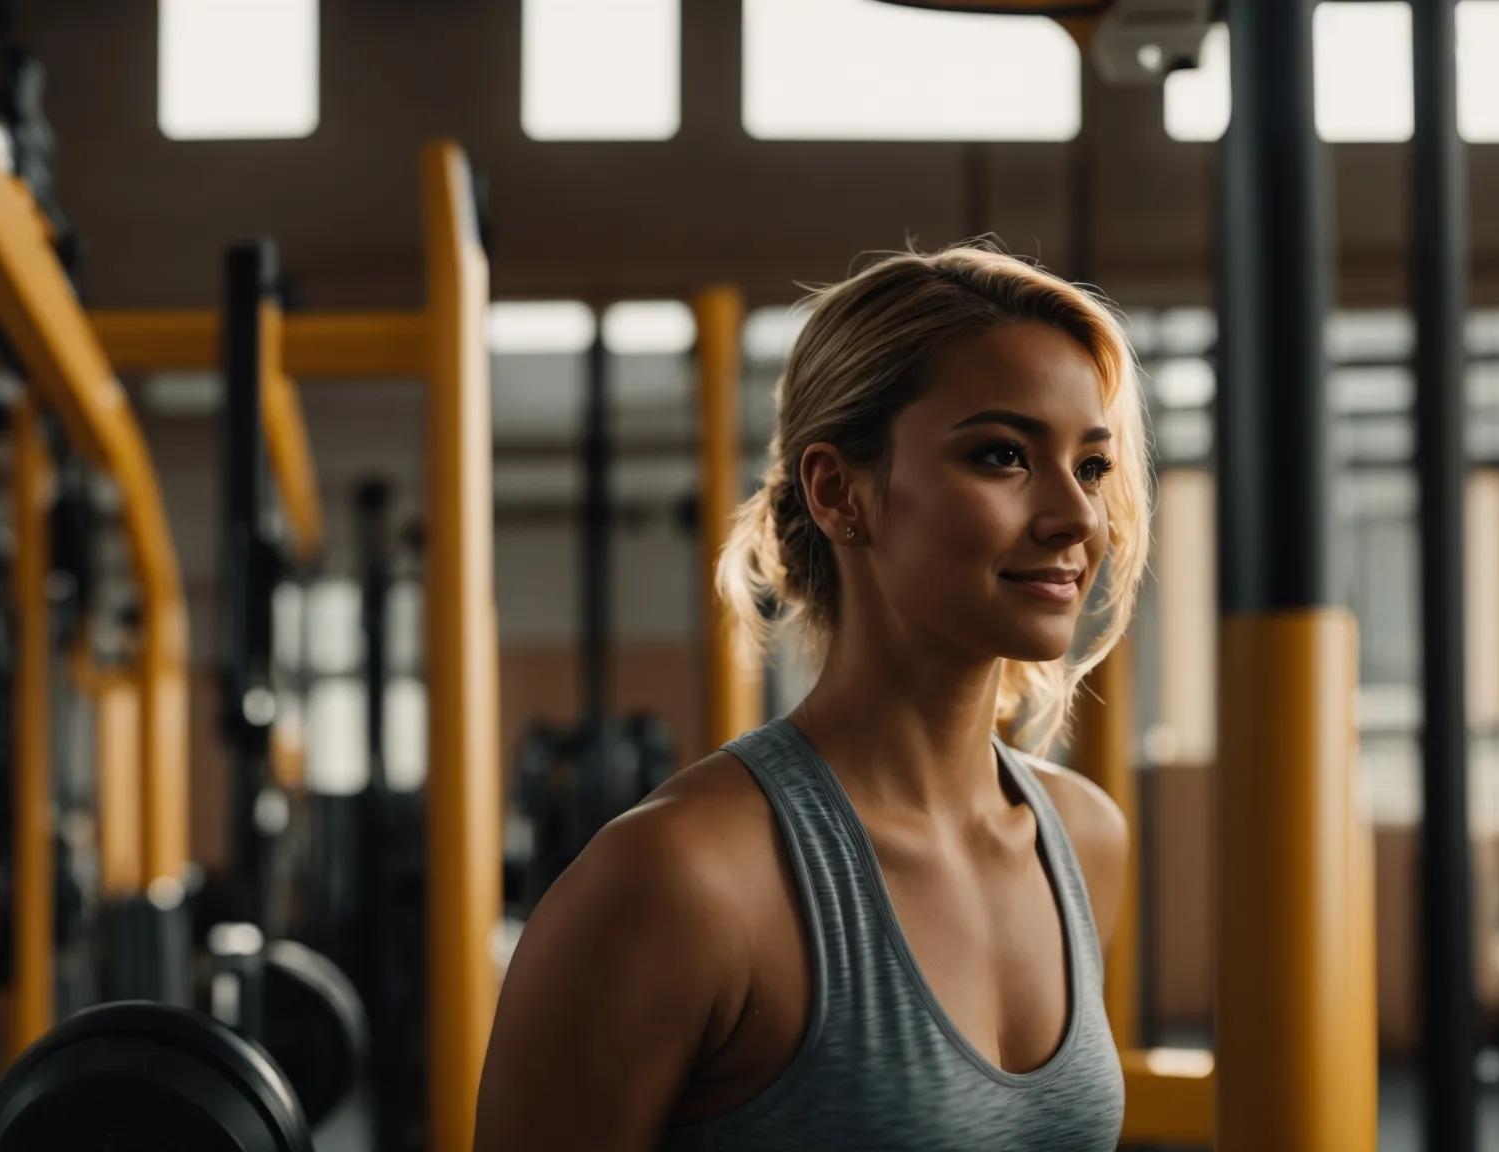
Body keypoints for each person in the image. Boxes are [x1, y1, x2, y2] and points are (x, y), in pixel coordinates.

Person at [474, 244, 1151, 1151]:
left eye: (1094, 467)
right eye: (1003, 456)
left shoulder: (1085, 839)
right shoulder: (681, 881)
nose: (1077, 518)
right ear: (840, 492)